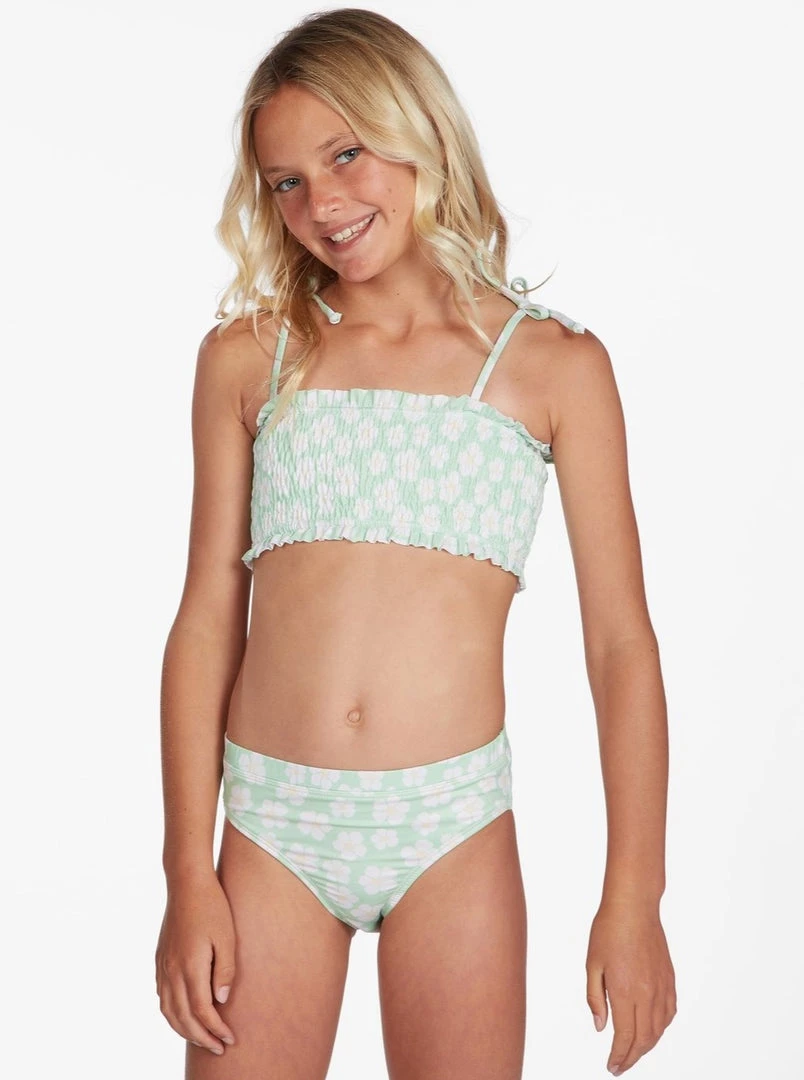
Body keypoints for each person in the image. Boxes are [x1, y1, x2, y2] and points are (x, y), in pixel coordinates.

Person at [155, 8, 676, 1078]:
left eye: (345, 154)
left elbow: (622, 644)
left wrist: (635, 894)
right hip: (272, 826)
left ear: (420, 130)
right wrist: (185, 877)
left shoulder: (553, 369)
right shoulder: (251, 360)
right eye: (286, 181)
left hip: (453, 827)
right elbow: (206, 620)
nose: (321, 204)